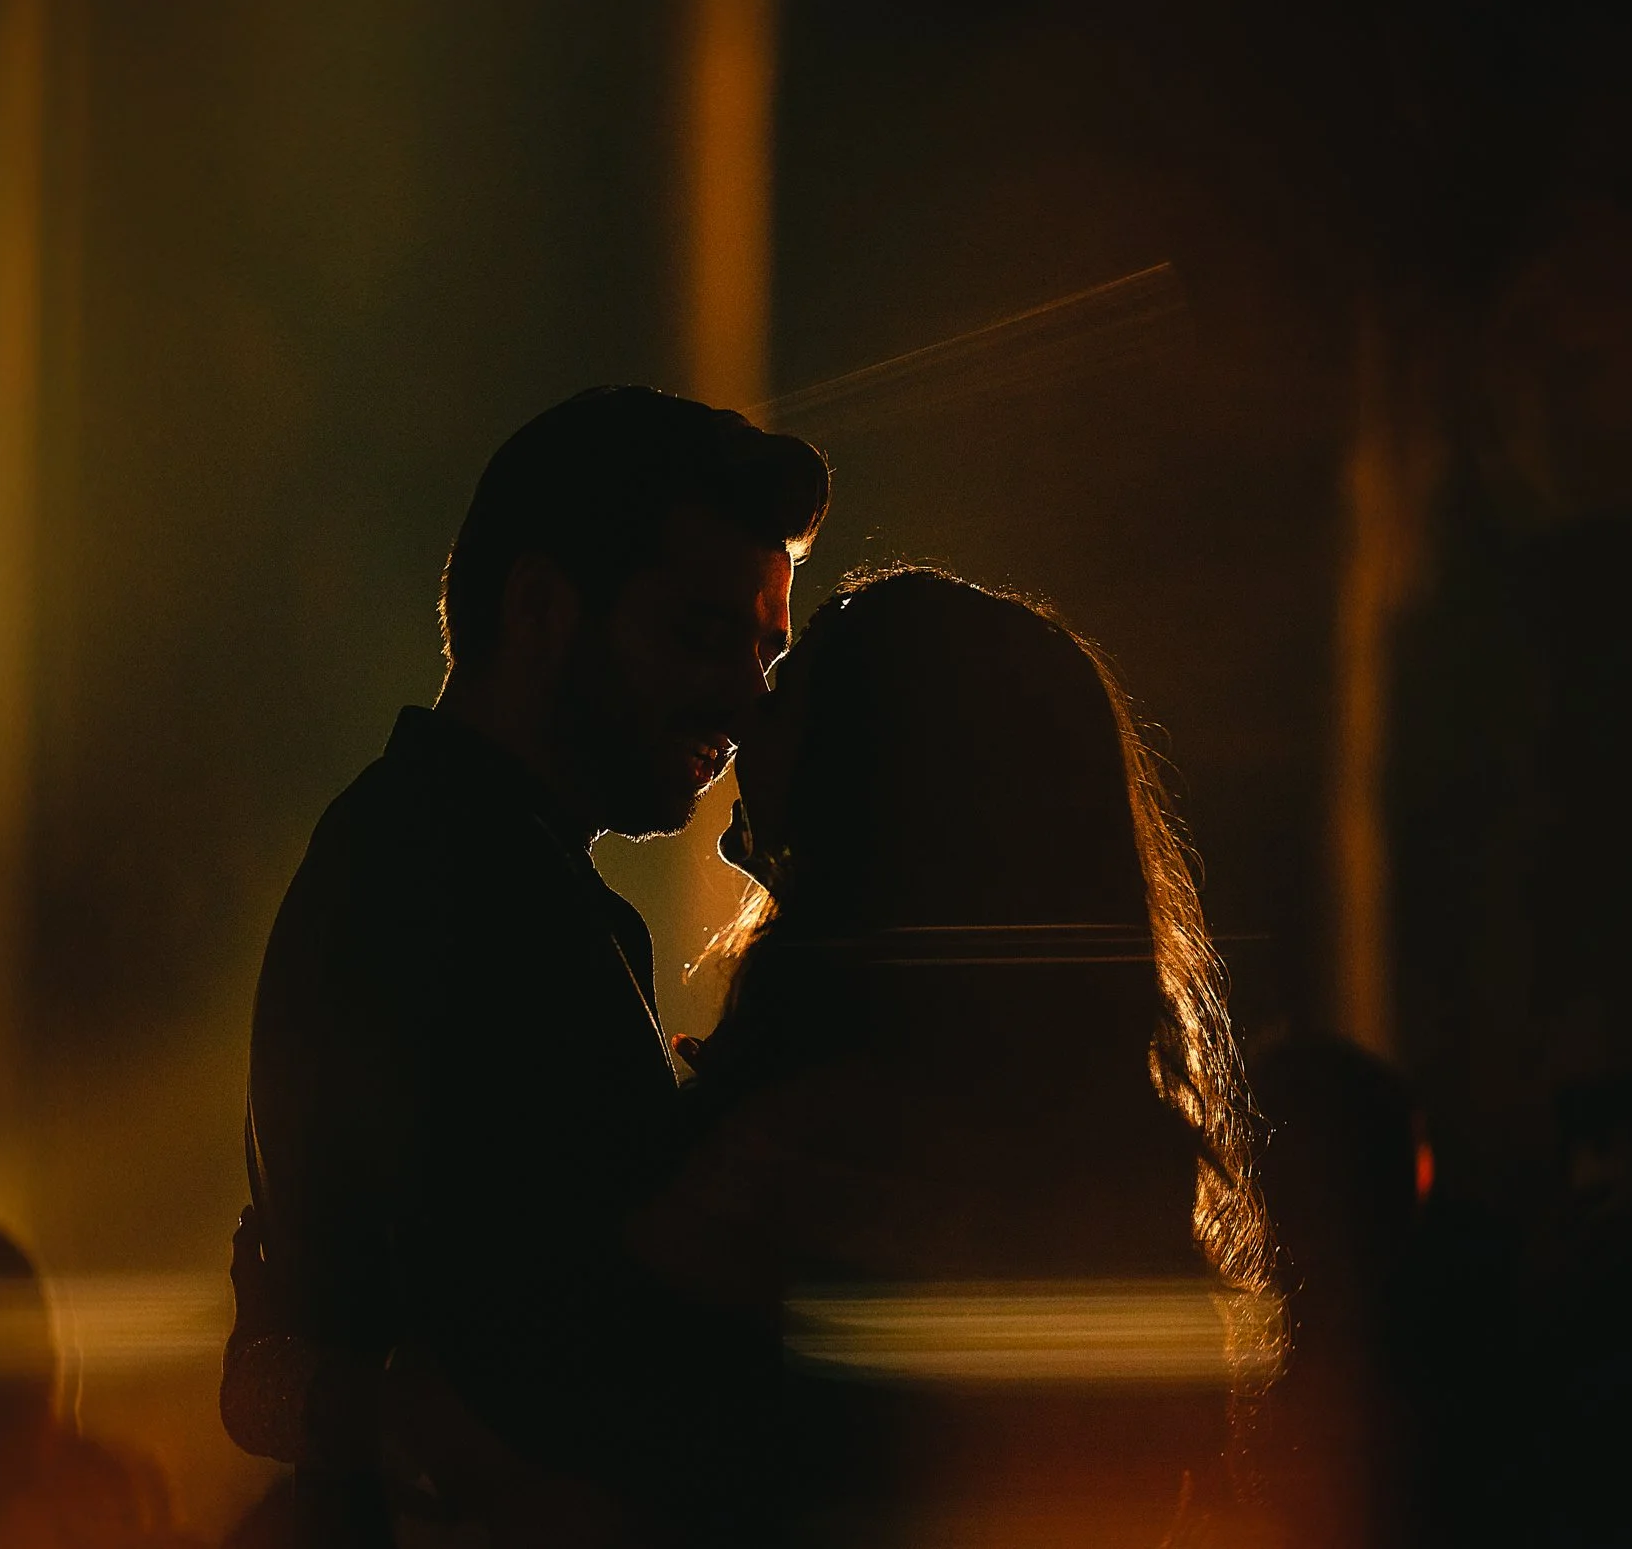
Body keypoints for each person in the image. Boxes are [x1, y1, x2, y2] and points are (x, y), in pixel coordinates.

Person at [223, 387, 830, 1544]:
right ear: (541, 607)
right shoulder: (460, 884)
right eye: (698, 635)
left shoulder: (444, 856)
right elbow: (554, 1376)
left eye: (764, 649)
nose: (747, 701)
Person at [633, 567, 1281, 1545]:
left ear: (868, 769)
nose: (744, 708)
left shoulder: (817, 1147)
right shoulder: (1086, 1153)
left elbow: (602, 1415)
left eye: (788, 685)